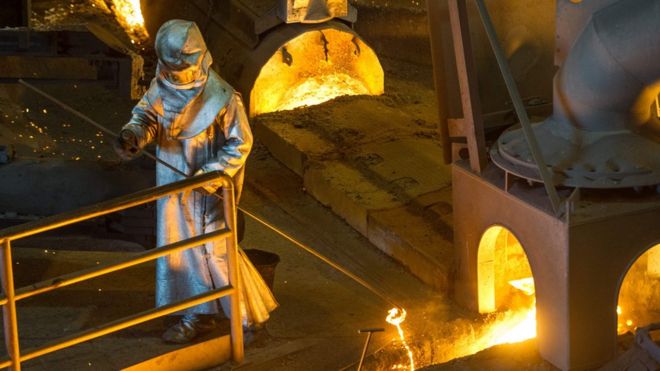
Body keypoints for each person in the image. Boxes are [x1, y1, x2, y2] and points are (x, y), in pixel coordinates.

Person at [114, 19, 277, 343]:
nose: (173, 77)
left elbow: (240, 143)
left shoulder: (223, 98)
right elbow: (146, 117)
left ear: (197, 61)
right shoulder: (161, 86)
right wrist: (133, 135)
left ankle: (247, 319)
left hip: (208, 191)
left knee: (217, 254)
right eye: (169, 69)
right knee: (180, 255)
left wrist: (211, 175)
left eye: (179, 71)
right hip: (173, 189)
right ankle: (195, 316)